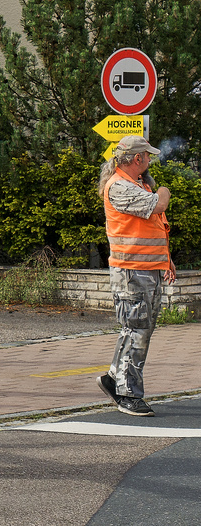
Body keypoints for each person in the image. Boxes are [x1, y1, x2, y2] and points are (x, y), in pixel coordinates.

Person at [98, 135, 176, 417]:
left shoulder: (136, 185)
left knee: (137, 329)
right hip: (131, 273)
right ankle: (128, 394)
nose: (150, 161)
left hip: (145, 271)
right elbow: (158, 206)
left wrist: (166, 260)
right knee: (138, 331)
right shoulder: (118, 186)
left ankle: (112, 379)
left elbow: (154, 229)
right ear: (137, 159)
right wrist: (163, 191)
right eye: (147, 156)